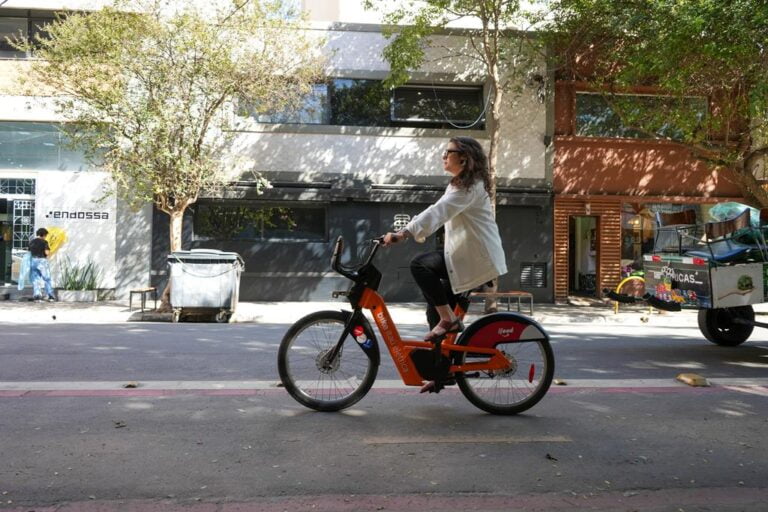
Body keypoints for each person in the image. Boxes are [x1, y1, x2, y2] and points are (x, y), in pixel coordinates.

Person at [382, 136, 507, 342]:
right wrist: (405, 230)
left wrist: (404, 233)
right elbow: (437, 210)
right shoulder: (459, 185)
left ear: (464, 158)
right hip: (467, 257)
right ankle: (444, 368)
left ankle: (449, 320)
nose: (444, 157)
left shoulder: (470, 188)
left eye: (448, 152)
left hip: (477, 258)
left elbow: (438, 212)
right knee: (434, 310)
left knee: (420, 266)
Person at [28, 227, 55, 302]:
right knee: (47, 278)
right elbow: (47, 253)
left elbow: (29, 252)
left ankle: (37, 296)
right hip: (42, 261)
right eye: (46, 235)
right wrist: (50, 252)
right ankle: (50, 296)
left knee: (36, 279)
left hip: (33, 261)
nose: (46, 237)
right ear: (44, 235)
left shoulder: (31, 242)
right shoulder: (44, 242)